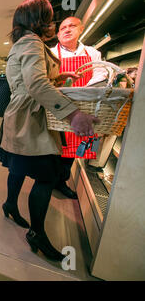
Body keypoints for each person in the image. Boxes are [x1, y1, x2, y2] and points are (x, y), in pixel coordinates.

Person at [0, 0, 100, 262]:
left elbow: (28, 78)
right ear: (37, 19)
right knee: (46, 177)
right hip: (31, 118)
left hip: (19, 116)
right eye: (49, 16)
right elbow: (36, 84)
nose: (53, 23)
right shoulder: (32, 42)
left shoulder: (24, 42)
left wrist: (59, 76)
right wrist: (74, 114)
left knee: (18, 168)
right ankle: (37, 233)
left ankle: (10, 204)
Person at [50, 17, 108, 199]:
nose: (67, 30)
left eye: (72, 26)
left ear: (81, 29)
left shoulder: (92, 53)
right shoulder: (52, 53)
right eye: (63, 27)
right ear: (58, 34)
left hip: (84, 108)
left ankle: (61, 181)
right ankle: (50, 180)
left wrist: (83, 92)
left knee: (72, 152)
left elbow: (100, 75)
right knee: (53, 149)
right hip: (58, 109)